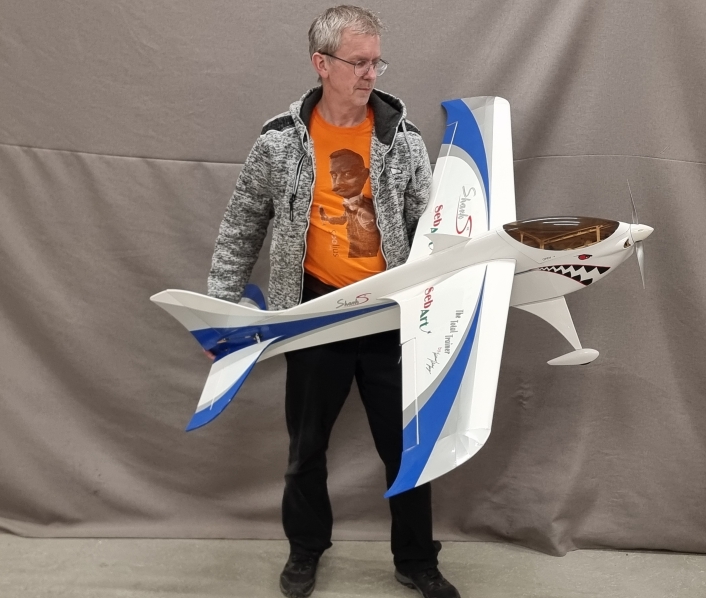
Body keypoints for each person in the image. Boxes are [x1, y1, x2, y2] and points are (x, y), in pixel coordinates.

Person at [207, 6, 460, 598]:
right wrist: (222, 308)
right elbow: (242, 224)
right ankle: (305, 550)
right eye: (358, 62)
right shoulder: (279, 142)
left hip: (391, 315)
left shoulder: (402, 139)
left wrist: (443, 299)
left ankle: (417, 560)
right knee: (306, 447)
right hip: (315, 312)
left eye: (376, 62)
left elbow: (430, 226)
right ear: (321, 64)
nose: (371, 73)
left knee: (407, 445)